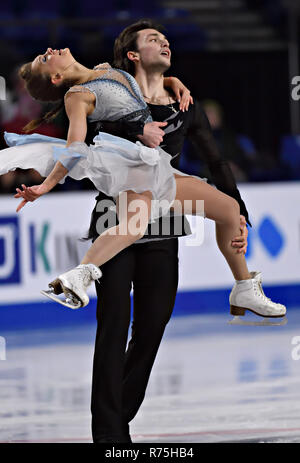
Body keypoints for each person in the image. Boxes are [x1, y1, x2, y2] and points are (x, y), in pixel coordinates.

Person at [2, 24, 286, 441]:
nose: (162, 43)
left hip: (161, 199)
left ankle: (242, 287)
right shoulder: (83, 92)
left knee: (156, 322)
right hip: (120, 187)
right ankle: (109, 432)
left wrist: (173, 81)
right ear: (132, 55)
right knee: (114, 322)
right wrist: (46, 185)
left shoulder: (134, 81)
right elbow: (82, 141)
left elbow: (146, 99)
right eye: (151, 40)